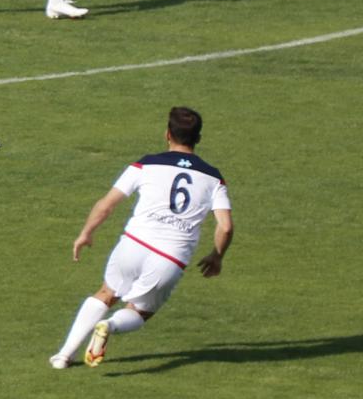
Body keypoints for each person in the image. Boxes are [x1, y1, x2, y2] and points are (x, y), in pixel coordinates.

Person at [51, 107, 234, 369]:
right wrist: (217, 256)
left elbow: (107, 204)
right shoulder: (213, 178)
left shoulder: (146, 163)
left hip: (133, 244)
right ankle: (109, 325)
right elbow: (225, 227)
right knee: (140, 311)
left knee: (106, 292)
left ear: (167, 134)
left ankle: (63, 355)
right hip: (170, 257)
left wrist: (86, 233)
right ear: (198, 138)